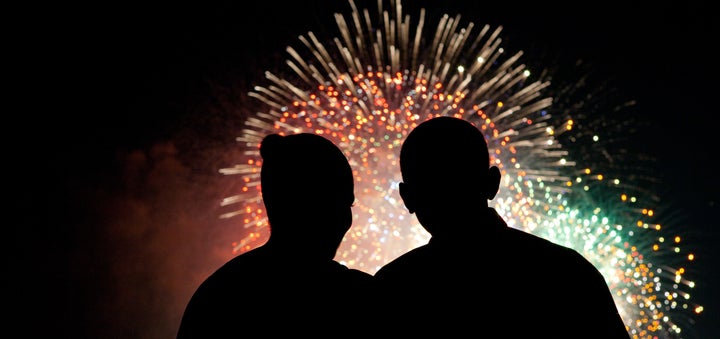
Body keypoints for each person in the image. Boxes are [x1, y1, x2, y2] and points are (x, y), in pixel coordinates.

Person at [374, 116, 630, 338]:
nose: (448, 193)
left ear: (407, 198)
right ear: (492, 183)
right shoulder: (567, 272)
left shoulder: (392, 288)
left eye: (454, 181)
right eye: (437, 183)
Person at [176, 133, 374, 338]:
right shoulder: (358, 297)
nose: (345, 219)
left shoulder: (218, 294)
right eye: (339, 203)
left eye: (349, 205)